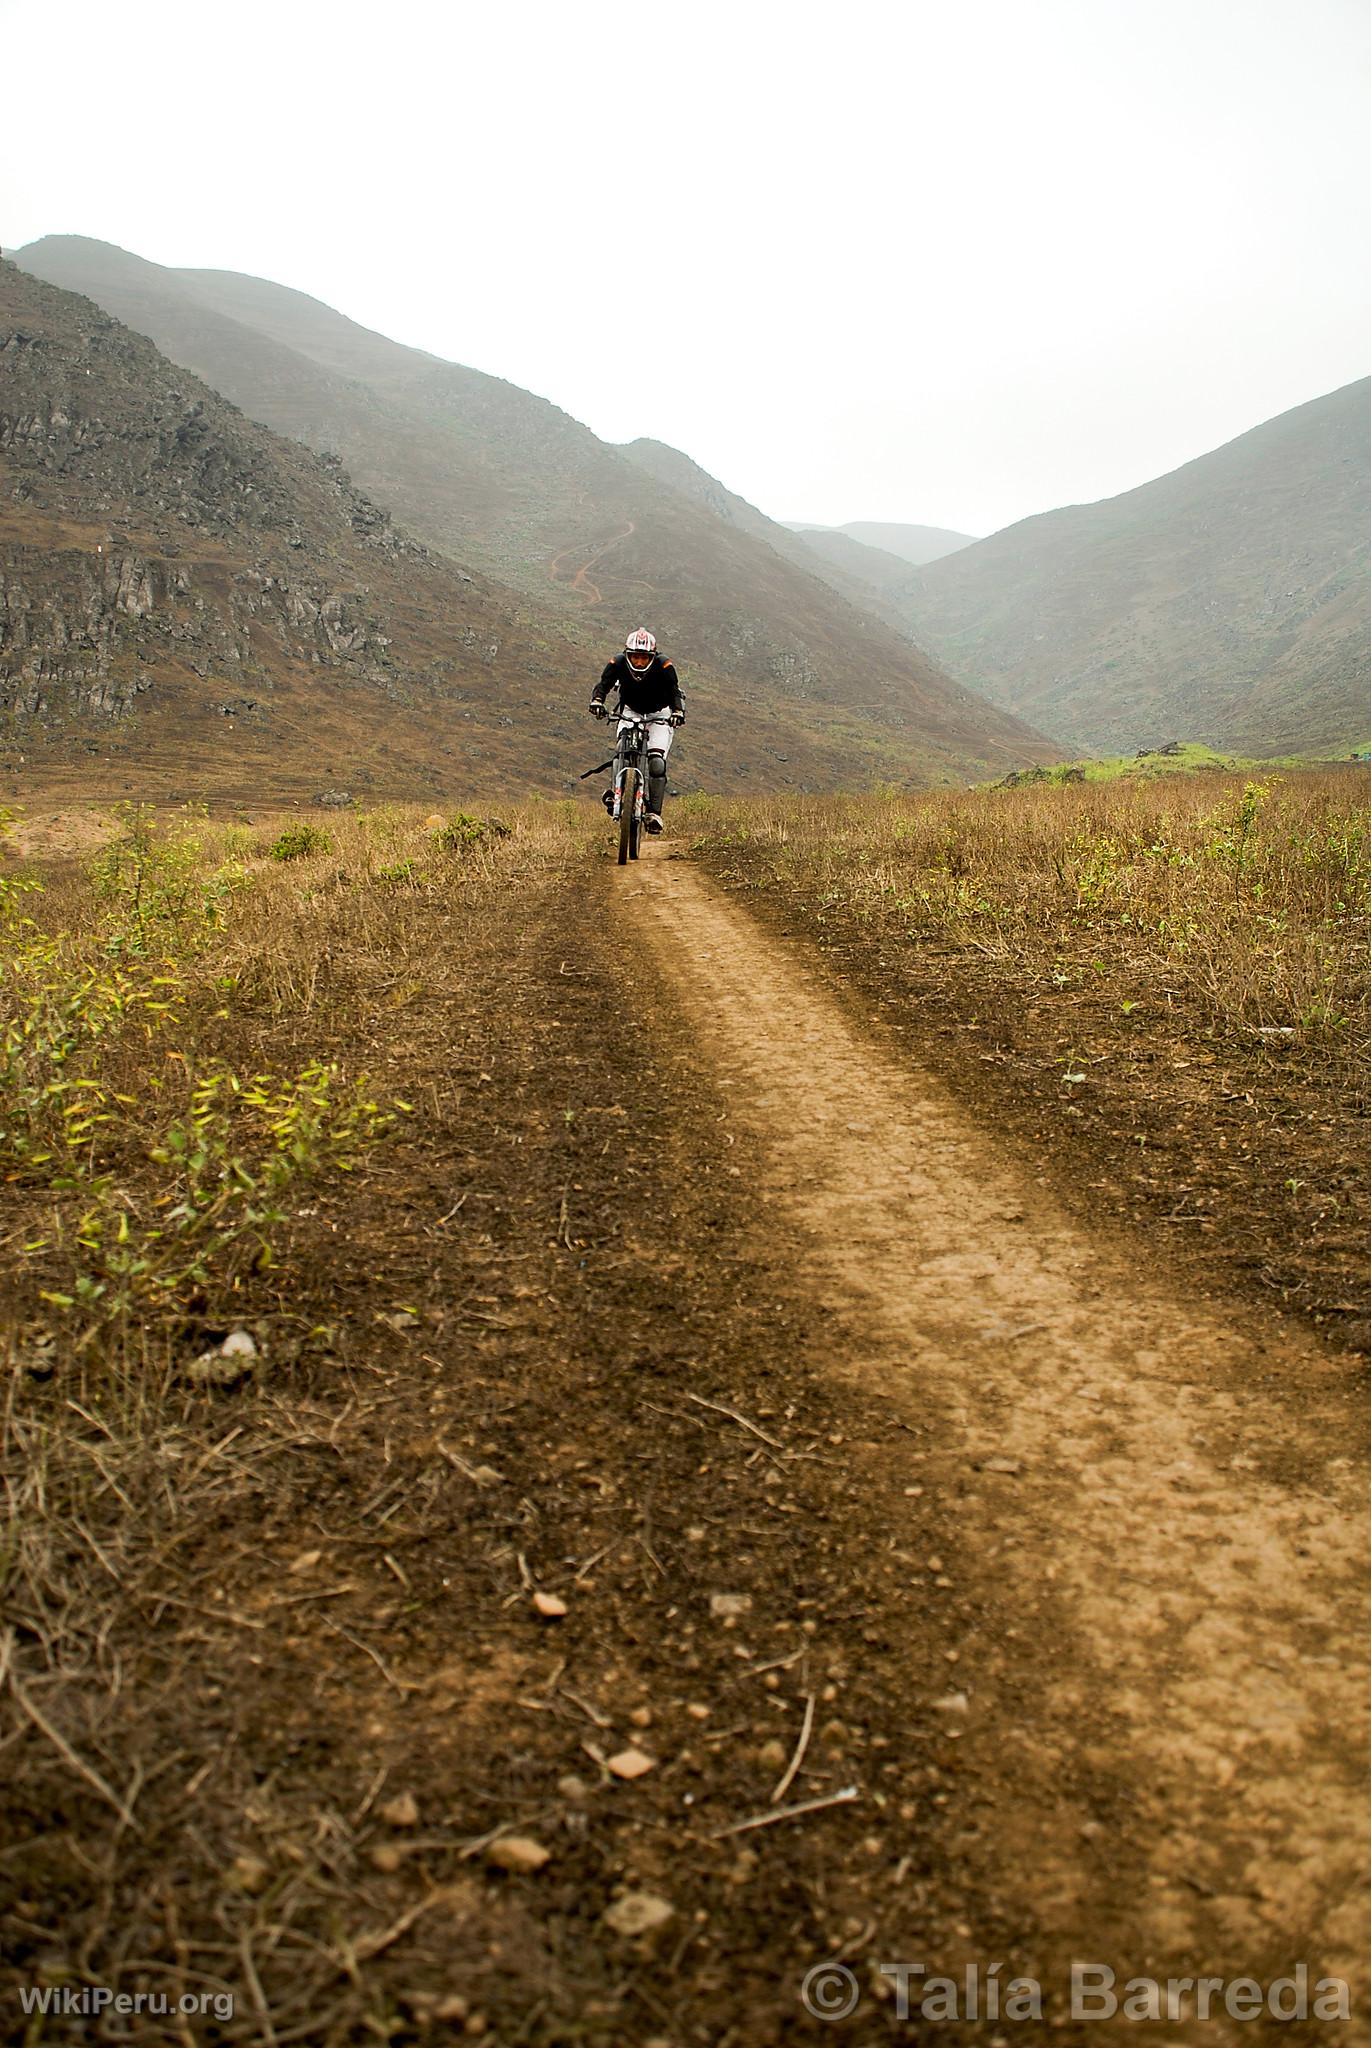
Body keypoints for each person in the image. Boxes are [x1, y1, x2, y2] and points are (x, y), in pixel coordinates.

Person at [590, 629, 685, 834]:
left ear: (652, 656)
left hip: (659, 714)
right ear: (627, 654)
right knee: (620, 751)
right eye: (635, 657)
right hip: (630, 712)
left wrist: (678, 712)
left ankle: (654, 814)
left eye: (644, 657)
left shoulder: (664, 665)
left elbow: (675, 691)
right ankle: (617, 794)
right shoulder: (617, 663)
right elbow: (603, 685)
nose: (639, 662)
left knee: (656, 762)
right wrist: (597, 701)